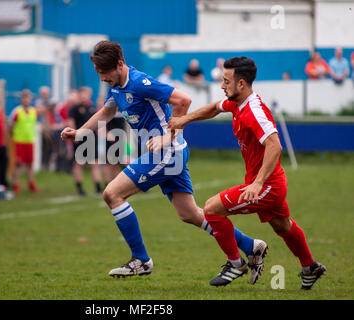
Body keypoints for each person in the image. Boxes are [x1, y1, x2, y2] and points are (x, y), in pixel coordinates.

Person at [61, 41, 266, 281]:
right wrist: (81, 133)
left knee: (112, 194)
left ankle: (141, 259)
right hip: (169, 153)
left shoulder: (140, 83)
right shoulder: (116, 85)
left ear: (119, 64)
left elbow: (184, 101)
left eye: (104, 72)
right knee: (189, 213)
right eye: (98, 73)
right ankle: (251, 247)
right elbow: (107, 111)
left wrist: (166, 137)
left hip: (167, 152)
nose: (102, 77)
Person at [168, 57, 326, 290]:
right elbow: (213, 108)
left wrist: (258, 183)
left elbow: (275, 145)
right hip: (270, 182)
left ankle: (236, 264)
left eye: (226, 81)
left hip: (266, 186)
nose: (222, 86)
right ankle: (310, 267)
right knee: (282, 226)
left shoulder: (254, 111)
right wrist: (185, 119)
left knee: (211, 209)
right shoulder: (237, 103)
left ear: (241, 84)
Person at [67, 86, 103, 196]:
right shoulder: (74, 109)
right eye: (83, 94)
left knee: (95, 164)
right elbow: (70, 122)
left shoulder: (92, 108)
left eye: (87, 94)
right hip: (80, 140)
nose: (84, 96)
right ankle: (80, 189)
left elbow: (97, 123)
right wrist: (74, 136)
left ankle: (98, 188)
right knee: (78, 164)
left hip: (92, 139)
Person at [9, 89, 40, 194]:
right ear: (21, 99)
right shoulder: (17, 111)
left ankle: (31, 184)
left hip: (30, 141)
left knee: (30, 165)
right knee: (18, 164)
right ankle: (16, 185)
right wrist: (14, 135)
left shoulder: (33, 111)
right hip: (19, 141)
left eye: (28, 98)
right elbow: (10, 125)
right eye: (24, 98)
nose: (26, 100)